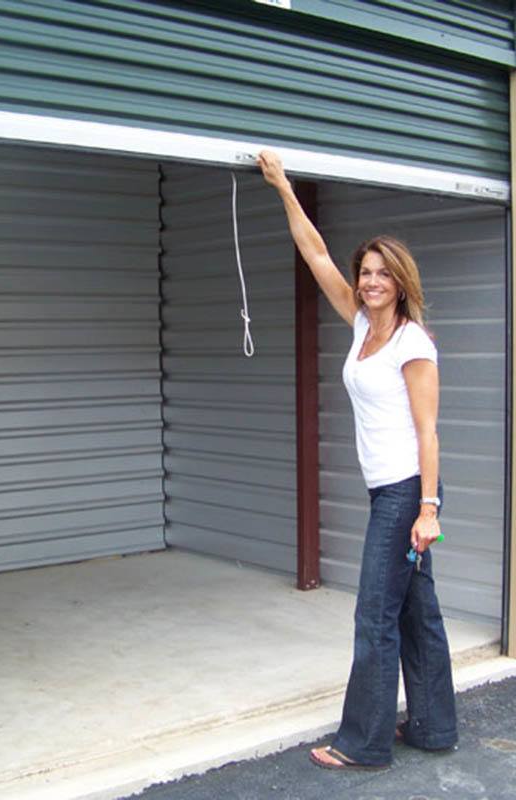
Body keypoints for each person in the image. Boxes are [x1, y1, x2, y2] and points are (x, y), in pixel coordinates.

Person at [257, 150, 458, 770]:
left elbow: (429, 431)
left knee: (375, 613)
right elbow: (316, 254)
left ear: (402, 282)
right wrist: (284, 188)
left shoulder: (411, 342)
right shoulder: (360, 327)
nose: (370, 282)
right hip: (390, 492)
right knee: (416, 612)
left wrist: (427, 508)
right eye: (366, 272)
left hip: (407, 493)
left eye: (382, 275)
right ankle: (432, 726)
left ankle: (364, 742)